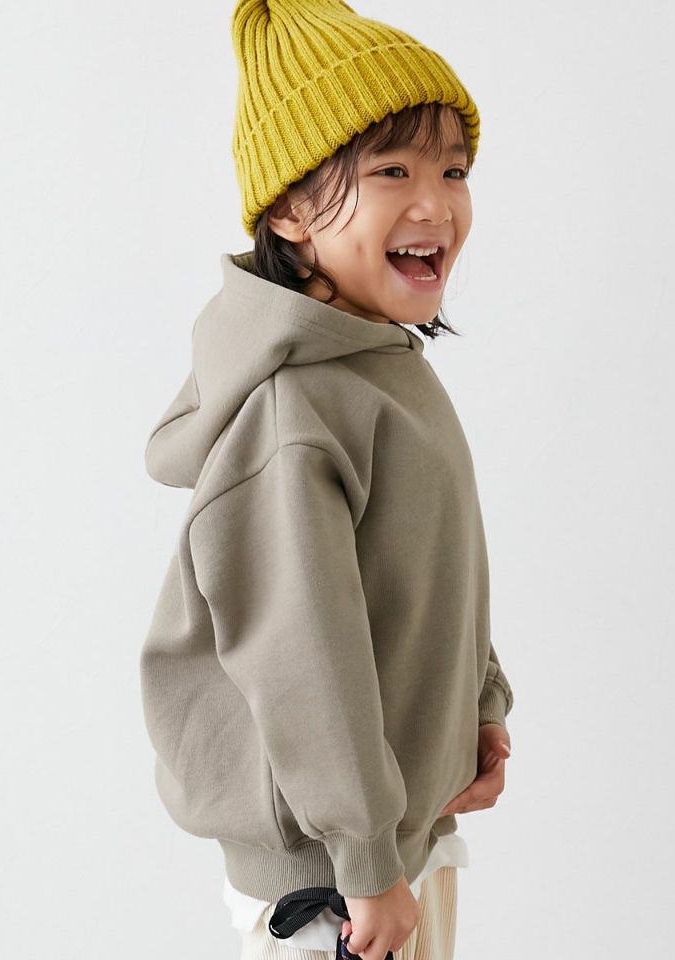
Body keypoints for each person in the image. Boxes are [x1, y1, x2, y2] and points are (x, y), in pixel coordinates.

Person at [139, 2, 515, 959]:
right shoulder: (294, 412)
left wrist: (480, 703)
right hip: (334, 887)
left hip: (403, 836)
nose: (435, 205)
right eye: (392, 172)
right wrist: (363, 860)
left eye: (454, 171)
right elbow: (303, 655)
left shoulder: (382, 365)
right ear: (290, 210)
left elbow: (432, 569)